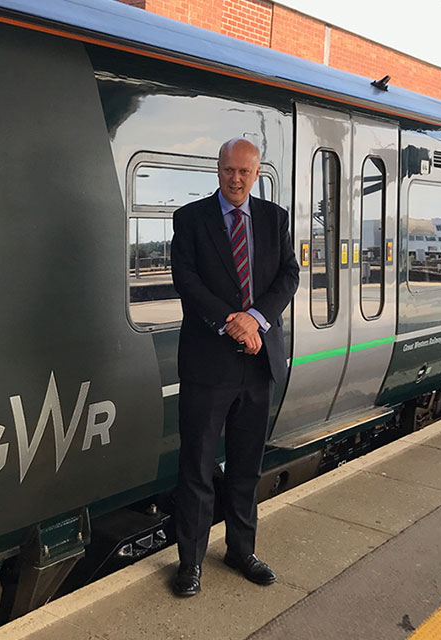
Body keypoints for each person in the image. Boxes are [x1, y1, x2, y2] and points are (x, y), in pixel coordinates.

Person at [169, 138, 299, 597]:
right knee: (198, 468)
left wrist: (255, 318)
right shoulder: (190, 219)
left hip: (258, 362)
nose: (236, 178)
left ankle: (241, 551)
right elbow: (187, 281)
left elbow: (289, 275)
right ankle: (190, 563)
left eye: (245, 171)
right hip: (208, 366)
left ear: (256, 172)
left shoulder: (274, 218)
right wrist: (230, 321)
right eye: (229, 170)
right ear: (218, 170)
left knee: (246, 467)